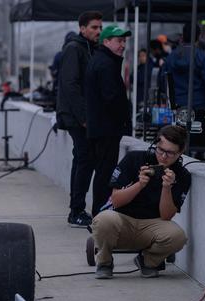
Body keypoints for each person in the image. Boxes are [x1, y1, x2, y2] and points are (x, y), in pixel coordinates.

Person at [92, 125, 191, 279]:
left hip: (152, 224)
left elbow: (167, 216)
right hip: (123, 219)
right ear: (155, 145)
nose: (163, 156)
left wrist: (167, 188)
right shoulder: (134, 159)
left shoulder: (182, 175)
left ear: (180, 153)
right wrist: (140, 184)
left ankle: (148, 261)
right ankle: (104, 262)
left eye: (170, 153)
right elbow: (116, 201)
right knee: (103, 219)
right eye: (160, 149)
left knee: (178, 236)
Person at [56, 10, 103, 227]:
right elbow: (70, 84)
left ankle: (76, 208)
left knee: (83, 158)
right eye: (94, 27)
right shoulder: (74, 48)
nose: (98, 31)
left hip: (83, 115)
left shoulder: (88, 49)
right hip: (78, 117)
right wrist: (84, 117)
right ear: (82, 28)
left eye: (100, 28)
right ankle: (76, 210)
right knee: (85, 158)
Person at [85, 25, 132, 218]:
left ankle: (100, 213)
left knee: (103, 171)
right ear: (106, 42)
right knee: (105, 173)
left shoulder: (103, 60)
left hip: (102, 127)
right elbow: (112, 98)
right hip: (106, 128)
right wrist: (125, 119)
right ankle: (100, 215)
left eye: (124, 41)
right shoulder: (106, 64)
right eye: (118, 41)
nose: (123, 45)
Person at [162, 22, 205, 109]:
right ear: (199, 36)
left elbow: (163, 80)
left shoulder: (171, 57)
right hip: (200, 104)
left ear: (182, 36)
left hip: (177, 104)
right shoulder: (201, 56)